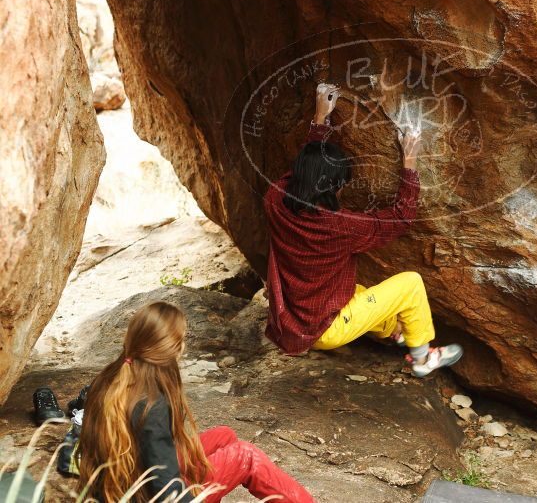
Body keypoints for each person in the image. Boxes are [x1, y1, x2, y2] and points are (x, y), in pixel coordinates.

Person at [263, 83, 463, 377]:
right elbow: (401, 217)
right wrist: (409, 160)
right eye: (341, 184)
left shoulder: (275, 199)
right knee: (410, 284)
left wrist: (319, 120)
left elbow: (304, 169)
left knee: (360, 292)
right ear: (333, 187)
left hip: (295, 321)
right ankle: (423, 359)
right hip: (326, 328)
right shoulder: (340, 225)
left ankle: (396, 331)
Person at [79, 301, 315, 503]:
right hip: (149, 495)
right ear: (173, 348)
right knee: (246, 455)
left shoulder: (111, 375)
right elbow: (167, 492)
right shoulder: (151, 404)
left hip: (132, 481)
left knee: (225, 435)